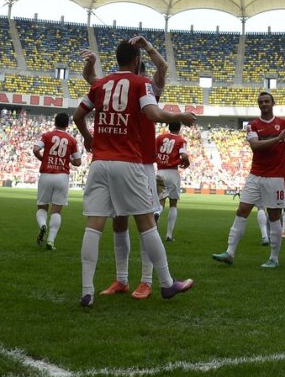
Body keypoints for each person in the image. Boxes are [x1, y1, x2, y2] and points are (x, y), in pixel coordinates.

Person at [72, 38, 196, 307]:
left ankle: (87, 290)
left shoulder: (103, 84)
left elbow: (81, 106)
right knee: (145, 224)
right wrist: (179, 116)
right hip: (130, 162)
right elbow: (151, 113)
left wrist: (89, 139)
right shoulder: (142, 85)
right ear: (138, 61)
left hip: (102, 163)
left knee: (94, 226)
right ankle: (163, 283)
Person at [81, 36, 168, 300]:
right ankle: (121, 279)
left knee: (146, 222)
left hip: (141, 164)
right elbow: (92, 80)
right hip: (124, 161)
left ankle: (147, 280)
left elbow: (162, 69)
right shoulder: (121, 84)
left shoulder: (148, 87)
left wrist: (148, 47)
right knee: (119, 222)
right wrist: (91, 63)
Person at [211, 92, 285, 268]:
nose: (264, 104)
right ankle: (230, 252)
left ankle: (274, 258)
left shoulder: (283, 123)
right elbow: (255, 146)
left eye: (266, 101)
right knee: (242, 210)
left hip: (275, 177)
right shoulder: (253, 125)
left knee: (274, 215)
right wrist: (278, 140)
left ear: (273, 103)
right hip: (255, 175)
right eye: (261, 102)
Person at [33, 113, 82, 250]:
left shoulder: (47, 136)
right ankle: (51, 240)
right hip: (62, 176)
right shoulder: (72, 140)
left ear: (55, 122)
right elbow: (78, 162)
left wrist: (43, 159)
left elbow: (36, 149)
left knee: (42, 206)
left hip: (46, 174)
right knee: (56, 211)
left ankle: (43, 224)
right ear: (67, 125)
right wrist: (68, 160)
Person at [154, 123, 189, 243]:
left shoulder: (159, 138)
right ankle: (169, 235)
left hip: (160, 172)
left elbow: (152, 153)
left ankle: (157, 213)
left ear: (169, 127)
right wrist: (186, 163)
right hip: (173, 173)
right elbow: (184, 156)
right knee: (173, 204)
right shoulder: (181, 140)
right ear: (179, 128)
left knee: (161, 200)